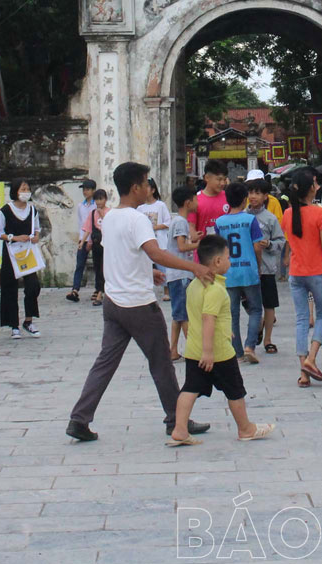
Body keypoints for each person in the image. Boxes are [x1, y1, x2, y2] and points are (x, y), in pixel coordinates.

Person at [66, 162, 214, 443]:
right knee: (161, 363)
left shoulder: (109, 217)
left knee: (105, 362)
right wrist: (193, 268)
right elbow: (155, 252)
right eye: (146, 182)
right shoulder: (138, 220)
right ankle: (176, 419)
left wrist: (150, 272)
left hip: (114, 302)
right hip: (138, 305)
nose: (149, 187)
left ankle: (79, 418)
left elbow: (123, 256)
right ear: (135, 187)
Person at [167, 233, 274, 446]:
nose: (229, 261)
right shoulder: (215, 289)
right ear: (217, 261)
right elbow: (208, 319)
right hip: (217, 352)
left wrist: (225, 332)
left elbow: (202, 317)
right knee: (235, 390)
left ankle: (179, 429)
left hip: (193, 350)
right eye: (227, 257)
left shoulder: (194, 286)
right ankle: (246, 428)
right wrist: (209, 351)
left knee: (190, 388)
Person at [282, 167, 322, 387]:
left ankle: (304, 371)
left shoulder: (287, 214)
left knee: (302, 319)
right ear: (311, 189)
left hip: (296, 271)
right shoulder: (320, 213)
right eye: (315, 184)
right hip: (316, 271)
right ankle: (312, 358)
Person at [214, 182, 265, 364]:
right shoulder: (250, 220)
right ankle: (250, 346)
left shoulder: (220, 222)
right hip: (248, 269)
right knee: (256, 309)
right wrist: (258, 266)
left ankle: (236, 352)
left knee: (232, 312)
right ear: (245, 200)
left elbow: (218, 249)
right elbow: (257, 246)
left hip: (229, 272)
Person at [0, 179, 42, 339]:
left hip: (27, 252)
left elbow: (37, 228)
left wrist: (36, 236)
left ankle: (29, 320)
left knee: (33, 285)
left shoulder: (32, 210)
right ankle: (13, 325)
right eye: (23, 188)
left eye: (28, 189)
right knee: (10, 287)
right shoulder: (5, 210)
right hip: (11, 252)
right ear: (15, 191)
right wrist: (14, 237)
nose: (26, 191)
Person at [246, 177, 286, 355]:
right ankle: (258, 322)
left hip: (267, 268)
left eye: (257, 193)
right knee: (247, 301)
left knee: (269, 304)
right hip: (247, 267)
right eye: (251, 193)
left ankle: (268, 339)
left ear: (265, 196)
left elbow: (281, 240)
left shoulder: (270, 219)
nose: (253, 196)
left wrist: (269, 244)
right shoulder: (243, 217)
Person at [168, 185, 201, 362]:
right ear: (188, 203)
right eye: (195, 199)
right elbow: (181, 246)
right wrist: (198, 245)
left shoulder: (178, 221)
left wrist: (194, 239)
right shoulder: (181, 222)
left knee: (178, 315)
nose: (197, 203)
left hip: (176, 274)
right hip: (181, 273)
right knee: (184, 315)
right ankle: (195, 350)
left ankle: (172, 349)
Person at [67, 179, 97, 302]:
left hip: (95, 238)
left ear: (93, 190)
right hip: (84, 238)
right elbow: (81, 224)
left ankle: (98, 289)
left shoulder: (97, 205)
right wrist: (81, 239)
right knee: (80, 264)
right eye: (84, 189)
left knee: (98, 264)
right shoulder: (81, 206)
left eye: (88, 189)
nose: (85, 192)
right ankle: (75, 289)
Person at [190, 160, 230, 240]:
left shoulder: (229, 197)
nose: (222, 183)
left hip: (225, 249)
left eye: (224, 180)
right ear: (207, 178)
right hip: (203, 250)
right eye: (219, 179)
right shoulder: (195, 200)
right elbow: (191, 226)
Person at [82, 189, 109, 306]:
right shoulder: (92, 213)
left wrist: (103, 216)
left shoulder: (110, 212)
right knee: (97, 267)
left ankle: (102, 292)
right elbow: (88, 228)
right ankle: (99, 289)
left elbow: (111, 228)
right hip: (96, 244)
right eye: (96, 199)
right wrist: (84, 241)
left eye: (101, 199)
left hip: (107, 244)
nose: (99, 202)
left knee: (105, 268)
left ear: (105, 199)